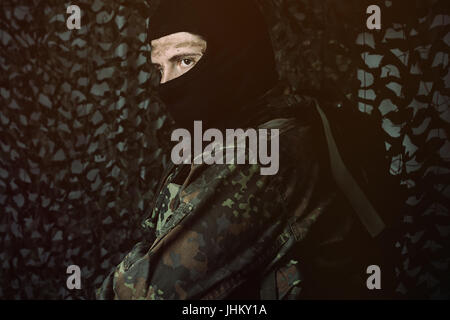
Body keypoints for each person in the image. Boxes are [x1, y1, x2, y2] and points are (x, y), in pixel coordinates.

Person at [96, 0, 402, 299]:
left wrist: (143, 260)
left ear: (237, 53)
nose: (167, 84)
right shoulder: (247, 126)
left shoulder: (262, 149)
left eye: (185, 60)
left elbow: (142, 292)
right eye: (159, 68)